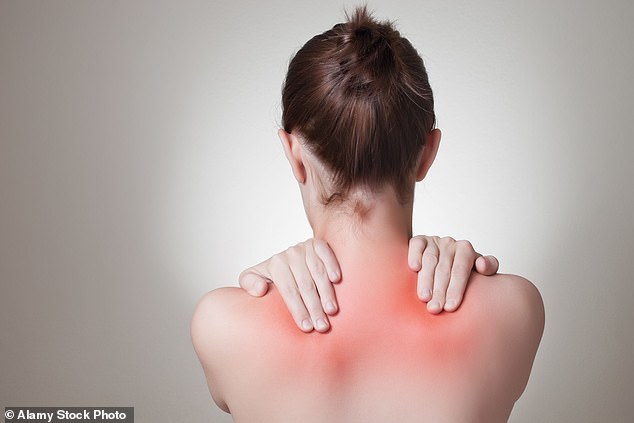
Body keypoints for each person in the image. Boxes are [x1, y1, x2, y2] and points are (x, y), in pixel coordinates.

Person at [192, 7, 544, 422]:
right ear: (427, 153)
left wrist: (259, 290)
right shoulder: (514, 310)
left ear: (294, 154)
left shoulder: (222, 325)